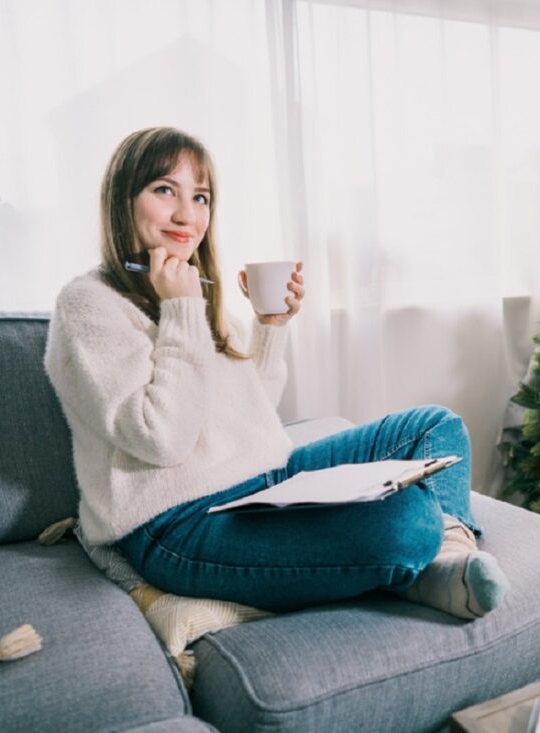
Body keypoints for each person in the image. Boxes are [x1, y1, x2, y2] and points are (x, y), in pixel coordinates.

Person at [44, 127, 509, 619]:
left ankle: (450, 563)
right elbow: (164, 440)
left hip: (264, 480)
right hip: (177, 525)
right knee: (410, 522)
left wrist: (270, 327)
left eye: (200, 197)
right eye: (165, 190)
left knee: (436, 427)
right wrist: (181, 309)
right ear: (124, 200)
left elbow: (252, 411)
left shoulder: (191, 287)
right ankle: (431, 562)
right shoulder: (89, 304)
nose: (187, 215)